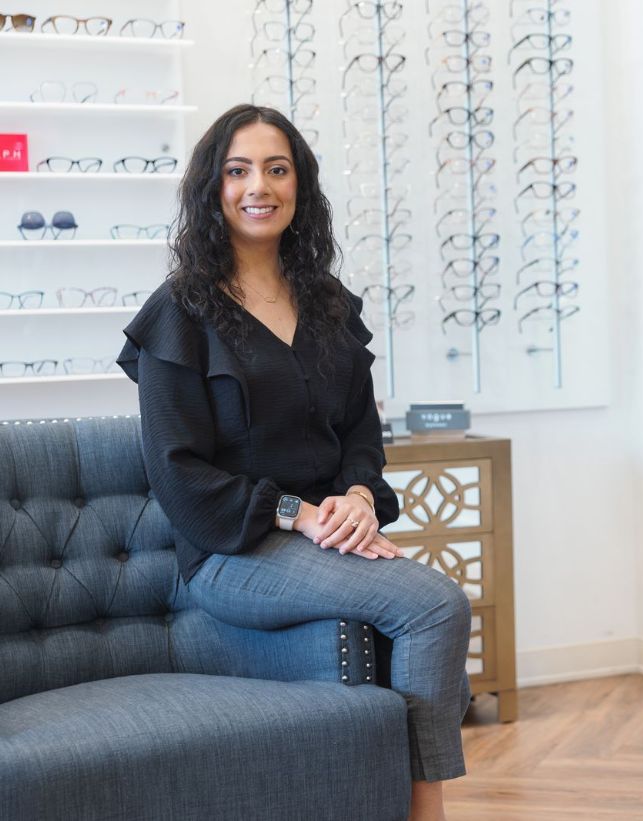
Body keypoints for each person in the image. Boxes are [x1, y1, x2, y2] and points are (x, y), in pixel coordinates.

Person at [116, 103, 472, 821]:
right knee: (434, 603)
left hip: (325, 534)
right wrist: (300, 514)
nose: (260, 186)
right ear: (211, 188)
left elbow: (360, 438)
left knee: (417, 610)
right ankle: (424, 811)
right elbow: (178, 474)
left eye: (277, 170)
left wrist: (360, 500)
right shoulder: (179, 313)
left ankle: (386, 802)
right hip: (231, 551)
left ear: (299, 186)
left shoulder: (331, 306)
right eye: (238, 170)